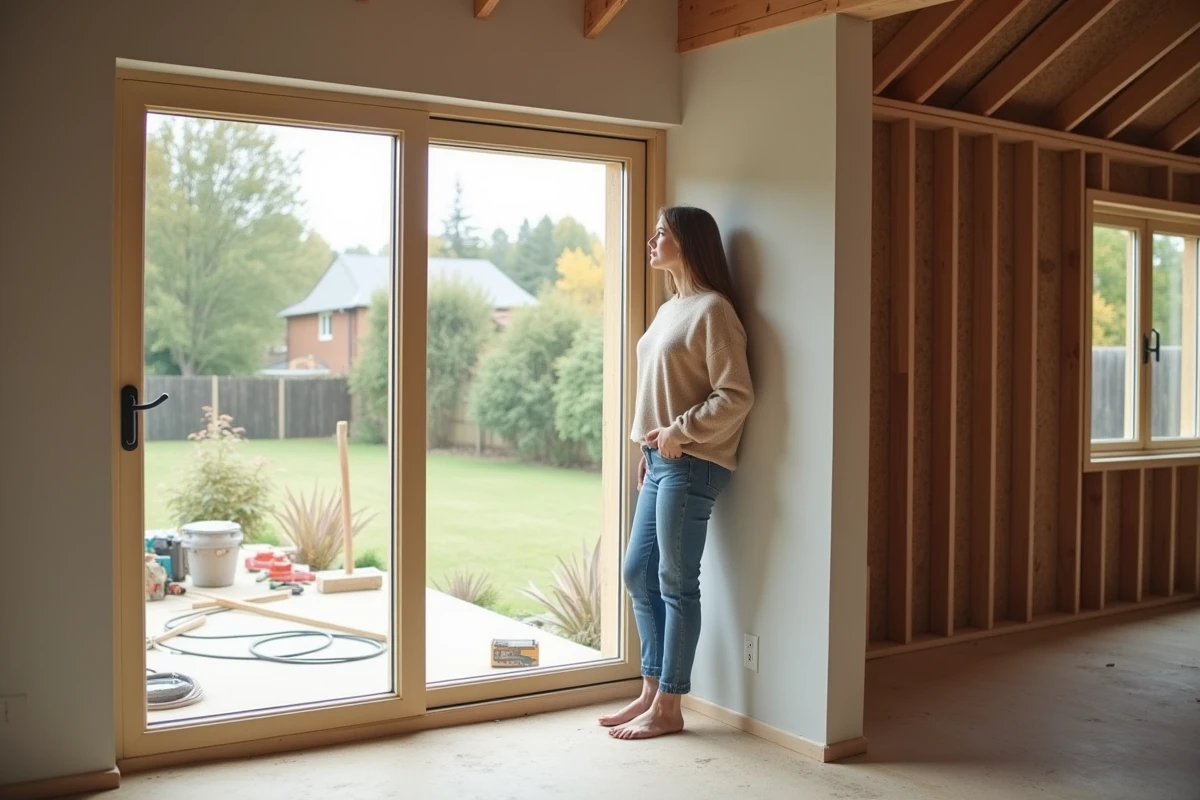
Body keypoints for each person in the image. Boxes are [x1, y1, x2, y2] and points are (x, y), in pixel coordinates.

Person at [601, 206, 754, 740]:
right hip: (663, 461)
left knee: (674, 582)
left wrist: (678, 432)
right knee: (636, 573)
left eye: (662, 233)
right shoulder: (671, 309)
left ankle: (670, 706)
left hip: (693, 465)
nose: (651, 239)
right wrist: (649, 447)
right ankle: (650, 691)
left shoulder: (713, 311)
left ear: (688, 243)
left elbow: (735, 395)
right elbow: (660, 389)